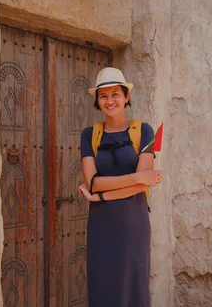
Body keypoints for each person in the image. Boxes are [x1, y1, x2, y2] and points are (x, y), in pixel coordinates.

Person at [77, 67, 162, 307]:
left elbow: (135, 188)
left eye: (115, 94)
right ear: (97, 101)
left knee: (134, 286)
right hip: (102, 224)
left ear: (126, 96)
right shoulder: (89, 135)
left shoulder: (144, 131)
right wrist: (138, 177)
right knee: (103, 285)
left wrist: (100, 196)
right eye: (103, 96)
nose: (109, 100)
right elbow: (93, 182)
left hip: (134, 222)